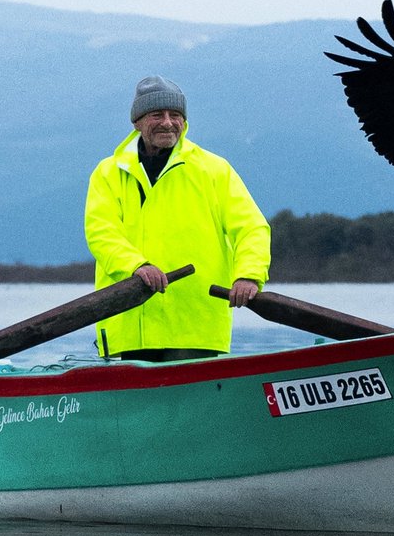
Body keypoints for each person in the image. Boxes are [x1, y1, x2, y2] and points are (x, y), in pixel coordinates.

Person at [84, 75, 271, 361]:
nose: (168, 123)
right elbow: (101, 232)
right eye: (157, 114)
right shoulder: (108, 173)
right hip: (128, 324)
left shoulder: (214, 170)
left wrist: (249, 274)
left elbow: (251, 228)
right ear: (137, 122)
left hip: (195, 325)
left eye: (175, 115)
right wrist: (136, 266)